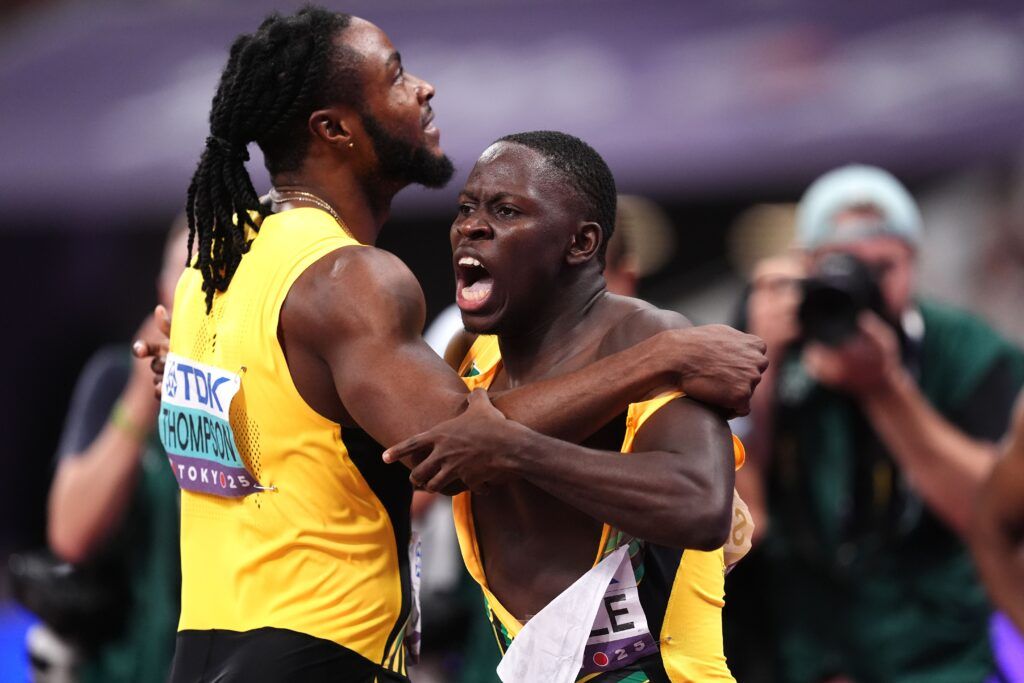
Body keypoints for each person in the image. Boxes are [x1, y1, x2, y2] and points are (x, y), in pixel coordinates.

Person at [150, 8, 767, 683]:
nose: (424, 88)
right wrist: (662, 359)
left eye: (504, 210)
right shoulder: (353, 279)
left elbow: (252, 437)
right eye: (396, 77)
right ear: (334, 129)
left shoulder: (216, 262)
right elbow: (458, 445)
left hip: (205, 645)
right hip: (317, 648)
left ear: (583, 241)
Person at [385, 131, 746, 682]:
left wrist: (517, 449)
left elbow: (700, 507)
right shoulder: (470, 353)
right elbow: (432, 461)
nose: (471, 226)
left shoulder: (647, 334)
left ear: (580, 244)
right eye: (466, 208)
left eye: (505, 210)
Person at [732, 165, 1024, 682]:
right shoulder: (768, 344)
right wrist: (763, 370)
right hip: (804, 652)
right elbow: (739, 520)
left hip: (938, 656)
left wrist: (884, 388)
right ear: (806, 267)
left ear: (914, 262)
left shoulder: (970, 353)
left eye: (882, 268)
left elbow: (992, 516)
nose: (862, 289)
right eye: (842, 269)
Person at [44, 220, 187, 683]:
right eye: (183, 272)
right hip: (122, 666)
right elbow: (70, 535)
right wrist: (140, 396)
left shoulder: (267, 391)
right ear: (162, 285)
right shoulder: (112, 380)